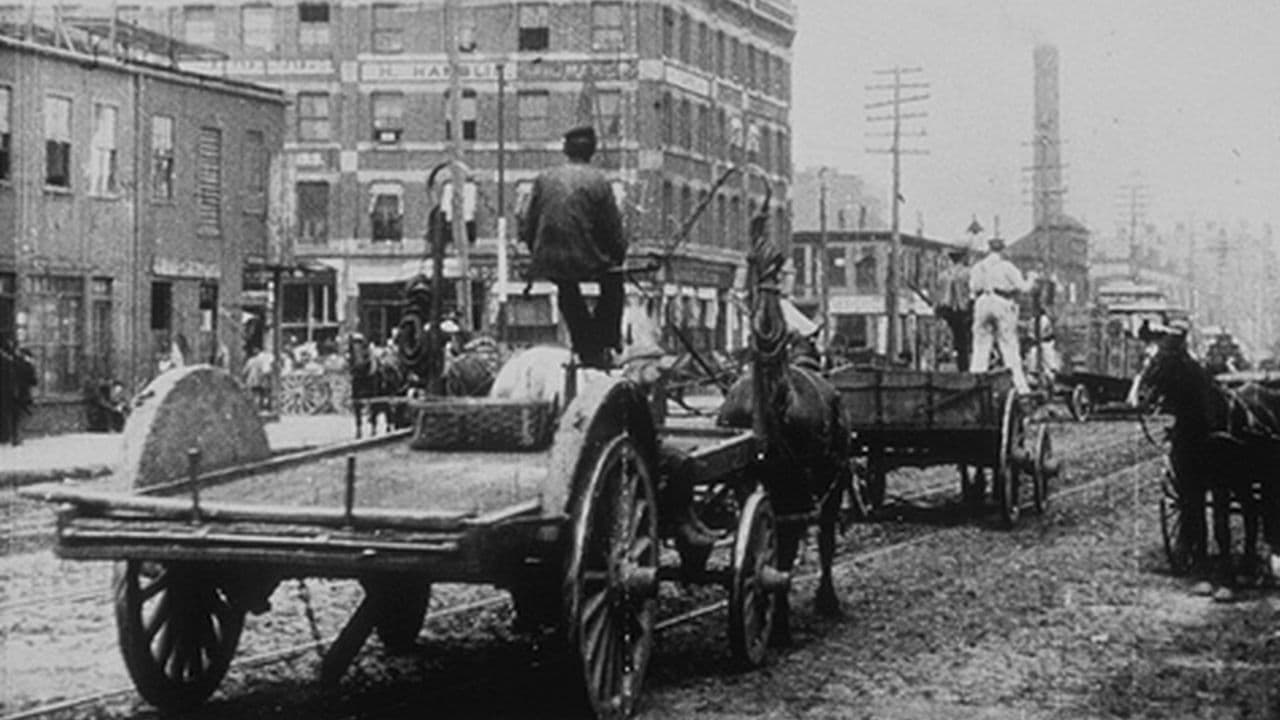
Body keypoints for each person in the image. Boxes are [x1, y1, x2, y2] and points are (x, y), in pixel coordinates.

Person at [519, 125, 627, 370]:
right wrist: (617, 256)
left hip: (547, 255)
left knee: (567, 289)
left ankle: (584, 343)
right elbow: (611, 228)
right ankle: (604, 342)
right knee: (613, 285)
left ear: (566, 150)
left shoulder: (544, 178)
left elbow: (529, 222)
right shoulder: (598, 181)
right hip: (583, 255)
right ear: (592, 151)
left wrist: (535, 250)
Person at [968, 236, 1032, 394]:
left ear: (989, 250)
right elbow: (1023, 288)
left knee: (980, 346)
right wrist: (1031, 278)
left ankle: (974, 385)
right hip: (1001, 301)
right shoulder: (1007, 267)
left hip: (982, 302)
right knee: (1008, 345)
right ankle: (1020, 388)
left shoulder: (978, 267)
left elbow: (973, 287)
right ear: (1002, 250)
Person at [934, 245, 973, 370]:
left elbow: (938, 294)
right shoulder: (968, 273)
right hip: (962, 310)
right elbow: (971, 292)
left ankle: (951, 364)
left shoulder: (943, 275)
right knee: (964, 341)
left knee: (951, 338)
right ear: (963, 258)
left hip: (947, 310)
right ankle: (964, 367)